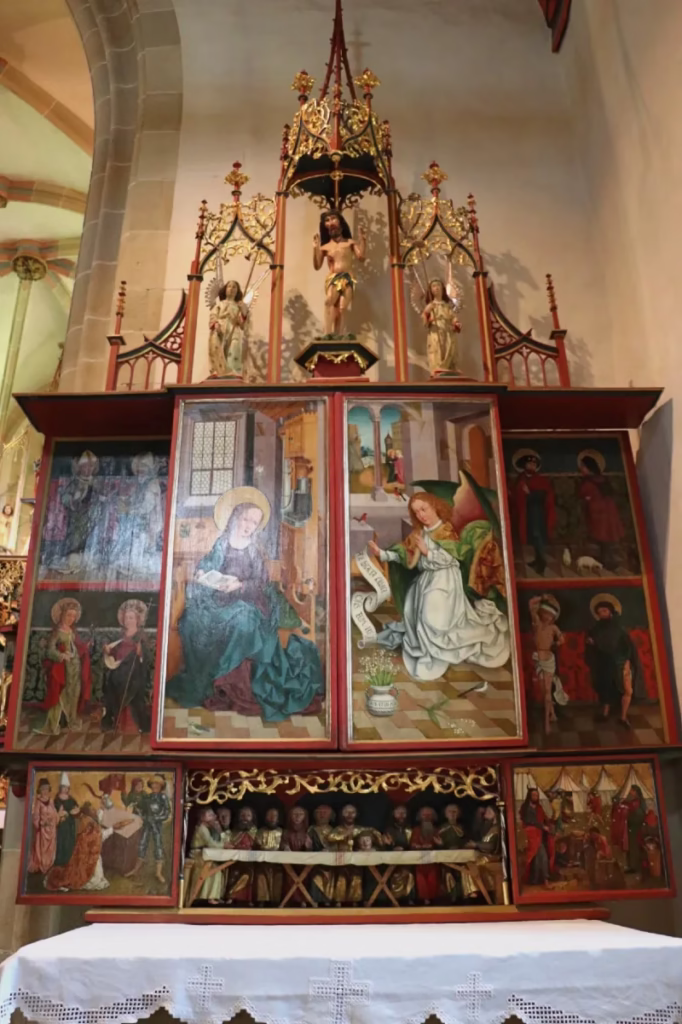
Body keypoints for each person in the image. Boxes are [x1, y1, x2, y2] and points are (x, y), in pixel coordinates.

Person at [166, 488, 324, 721]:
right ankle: (215, 682)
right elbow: (209, 563)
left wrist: (239, 586)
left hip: (248, 599)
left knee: (245, 619)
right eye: (246, 519)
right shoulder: (222, 543)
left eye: (254, 522)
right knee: (192, 621)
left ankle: (231, 685)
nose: (249, 525)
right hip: (218, 600)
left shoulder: (253, 549)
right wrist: (203, 572)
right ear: (235, 517)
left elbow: (260, 582)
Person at [368, 491, 509, 681]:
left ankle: (438, 653)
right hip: (426, 580)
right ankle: (428, 651)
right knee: (411, 610)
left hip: (445, 581)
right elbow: (405, 553)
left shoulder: (446, 531)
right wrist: (383, 553)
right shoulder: (418, 533)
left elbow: (452, 560)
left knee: (431, 617)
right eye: (416, 512)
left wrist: (428, 553)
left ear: (435, 507)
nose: (421, 515)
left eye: (423, 509)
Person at [585, 594, 643, 726]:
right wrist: (590, 644)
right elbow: (591, 644)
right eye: (599, 612)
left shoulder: (619, 629)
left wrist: (627, 661)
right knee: (605, 687)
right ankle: (605, 713)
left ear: (610, 611)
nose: (602, 614)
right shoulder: (595, 629)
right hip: (603, 662)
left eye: (604, 611)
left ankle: (622, 717)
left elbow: (627, 646)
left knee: (623, 688)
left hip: (618, 662)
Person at [38, 598, 92, 736]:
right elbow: (50, 650)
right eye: (69, 615)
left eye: (74, 616)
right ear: (62, 614)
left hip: (75, 667)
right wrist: (62, 655)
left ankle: (71, 720)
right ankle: (53, 725)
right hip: (62, 669)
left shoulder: (72, 630)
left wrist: (85, 647)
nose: (71, 619)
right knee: (59, 695)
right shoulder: (57, 631)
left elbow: (76, 647)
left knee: (74, 693)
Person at [313, 209, 366, 337]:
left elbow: (361, 257)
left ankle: (340, 335)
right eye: (327, 220)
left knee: (342, 308)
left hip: (348, 277)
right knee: (329, 302)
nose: (331, 223)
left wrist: (363, 240)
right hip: (333, 277)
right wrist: (315, 248)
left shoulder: (349, 243)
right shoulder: (325, 247)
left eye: (333, 219)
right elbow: (317, 265)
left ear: (341, 225)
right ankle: (327, 333)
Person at [102, 599, 151, 734]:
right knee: (113, 683)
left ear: (137, 620)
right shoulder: (120, 634)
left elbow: (145, 657)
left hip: (134, 672)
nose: (128, 620)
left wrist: (140, 652)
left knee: (130, 688)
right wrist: (107, 649)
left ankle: (132, 723)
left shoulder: (141, 636)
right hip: (118, 669)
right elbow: (114, 649)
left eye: (131, 618)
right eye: (126, 618)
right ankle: (116, 721)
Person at [112, 452, 164, 579]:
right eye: (139, 468)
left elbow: (146, 506)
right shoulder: (141, 483)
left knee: (142, 543)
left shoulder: (152, 484)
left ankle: (138, 569)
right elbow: (137, 500)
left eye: (144, 468)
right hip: (140, 521)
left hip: (148, 523)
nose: (141, 470)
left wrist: (129, 509)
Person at [576, 451, 625, 571]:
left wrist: (588, 498)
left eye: (583, 467)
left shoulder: (589, 481)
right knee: (604, 537)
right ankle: (605, 559)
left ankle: (608, 561)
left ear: (589, 467)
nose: (581, 469)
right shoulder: (601, 479)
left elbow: (585, 493)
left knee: (604, 537)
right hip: (606, 511)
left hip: (599, 512)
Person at [510, 451, 556, 575]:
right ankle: (537, 559)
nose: (532, 466)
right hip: (526, 513)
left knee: (537, 536)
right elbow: (516, 495)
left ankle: (542, 562)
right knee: (531, 536)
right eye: (529, 464)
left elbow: (543, 496)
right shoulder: (521, 479)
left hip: (537, 513)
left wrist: (529, 493)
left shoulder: (540, 480)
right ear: (524, 465)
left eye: (534, 465)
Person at [125, 774, 171, 884]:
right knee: (142, 845)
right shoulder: (148, 797)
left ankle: (158, 873)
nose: (155, 786)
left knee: (158, 847)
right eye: (153, 784)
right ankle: (136, 870)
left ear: (161, 786)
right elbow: (144, 810)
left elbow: (167, 813)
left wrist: (156, 818)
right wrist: (142, 814)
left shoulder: (163, 797)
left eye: (157, 784)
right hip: (147, 824)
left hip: (157, 825)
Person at [529, 594, 565, 734]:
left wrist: (557, 642)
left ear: (553, 617)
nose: (547, 617)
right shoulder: (537, 623)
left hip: (549, 659)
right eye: (545, 613)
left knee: (548, 693)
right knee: (544, 691)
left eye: (550, 615)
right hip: (538, 658)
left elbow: (562, 640)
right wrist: (543, 597)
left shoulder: (554, 628)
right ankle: (553, 714)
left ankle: (546, 723)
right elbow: (531, 604)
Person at [208, 280, 248, 377]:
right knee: (219, 349)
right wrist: (216, 324)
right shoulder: (220, 304)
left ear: (237, 291)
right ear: (225, 289)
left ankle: (233, 370)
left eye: (234, 287)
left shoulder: (238, 306)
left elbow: (242, 324)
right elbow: (213, 316)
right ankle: (219, 371)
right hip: (221, 329)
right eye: (229, 286)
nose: (231, 289)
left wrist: (243, 311)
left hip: (234, 331)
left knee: (234, 348)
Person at [422, 279, 462, 375]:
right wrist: (427, 312)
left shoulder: (447, 306)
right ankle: (438, 367)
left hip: (447, 330)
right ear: (430, 290)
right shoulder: (430, 306)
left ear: (443, 288)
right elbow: (425, 321)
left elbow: (453, 317)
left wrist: (456, 323)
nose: (436, 288)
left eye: (438, 285)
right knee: (437, 348)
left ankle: (449, 367)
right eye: (433, 286)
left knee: (449, 348)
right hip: (435, 330)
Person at [189, 808, 228, 905]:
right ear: (202, 818)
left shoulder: (208, 829)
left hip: (204, 855)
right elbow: (211, 844)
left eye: (213, 815)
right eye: (209, 815)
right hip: (198, 855)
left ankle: (212, 896)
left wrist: (220, 833)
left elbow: (217, 841)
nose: (213, 818)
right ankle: (208, 896)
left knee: (216, 869)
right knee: (214, 871)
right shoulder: (202, 828)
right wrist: (224, 845)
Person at [439, 803, 476, 902]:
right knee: (448, 871)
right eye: (449, 812)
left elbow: (467, 841)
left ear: (458, 814)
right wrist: (441, 845)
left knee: (465, 869)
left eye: (454, 811)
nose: (452, 814)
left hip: (461, 855)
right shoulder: (441, 829)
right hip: (446, 857)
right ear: (445, 814)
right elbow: (438, 843)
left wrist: (462, 846)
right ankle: (451, 895)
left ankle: (468, 892)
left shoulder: (463, 828)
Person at [225, 806, 258, 905]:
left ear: (252, 817)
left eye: (248, 815)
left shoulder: (255, 831)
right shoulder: (234, 831)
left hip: (249, 859)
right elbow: (232, 842)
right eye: (242, 815)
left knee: (249, 876)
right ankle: (231, 896)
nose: (245, 818)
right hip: (235, 859)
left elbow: (257, 843)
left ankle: (248, 899)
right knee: (233, 875)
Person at [381, 804, 414, 905]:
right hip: (392, 861)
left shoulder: (410, 829)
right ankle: (393, 899)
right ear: (393, 814)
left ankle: (408, 899)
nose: (401, 815)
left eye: (403, 813)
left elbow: (413, 844)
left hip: (408, 860)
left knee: (408, 874)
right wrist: (391, 847)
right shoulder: (388, 829)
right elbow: (385, 845)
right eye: (398, 813)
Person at [519, 788, 551, 886]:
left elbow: (544, 818)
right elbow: (529, 820)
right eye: (533, 795)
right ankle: (542, 880)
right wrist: (542, 826)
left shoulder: (539, 808)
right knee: (538, 857)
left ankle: (538, 880)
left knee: (539, 858)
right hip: (530, 836)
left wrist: (548, 823)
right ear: (529, 796)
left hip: (538, 835)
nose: (535, 797)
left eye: (537, 795)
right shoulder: (525, 808)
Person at [410, 807, 442, 904]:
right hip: (419, 861)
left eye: (429, 815)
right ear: (420, 817)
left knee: (433, 878)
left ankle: (433, 899)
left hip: (433, 861)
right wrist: (417, 846)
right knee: (420, 880)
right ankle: (423, 899)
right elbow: (413, 844)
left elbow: (441, 844)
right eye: (424, 815)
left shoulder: (437, 830)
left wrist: (439, 844)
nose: (427, 817)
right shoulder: (416, 830)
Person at [28, 778, 58, 876]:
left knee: (50, 849)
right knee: (42, 848)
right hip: (43, 831)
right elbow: (36, 816)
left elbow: (54, 814)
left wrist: (55, 818)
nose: (45, 791)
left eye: (46, 789)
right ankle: (42, 867)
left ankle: (49, 866)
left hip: (51, 830)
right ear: (40, 790)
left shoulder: (51, 801)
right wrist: (41, 824)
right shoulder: (38, 802)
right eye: (43, 789)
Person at [254, 807, 284, 906]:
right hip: (263, 863)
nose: (272, 818)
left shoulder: (282, 832)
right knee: (261, 877)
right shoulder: (260, 831)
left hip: (277, 863)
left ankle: (276, 900)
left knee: (279, 876)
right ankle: (262, 900)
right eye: (269, 815)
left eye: (274, 816)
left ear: (278, 818)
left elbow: (284, 846)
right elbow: (257, 844)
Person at [308, 805, 336, 907]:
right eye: (320, 813)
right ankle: (316, 899)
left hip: (330, 862)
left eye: (325, 813)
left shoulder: (334, 831)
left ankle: (328, 899)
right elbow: (308, 847)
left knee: (331, 877)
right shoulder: (312, 830)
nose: (322, 815)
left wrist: (330, 850)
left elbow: (338, 846)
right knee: (316, 877)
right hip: (316, 862)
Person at [53, 774, 80, 868]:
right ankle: (60, 862)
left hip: (70, 825)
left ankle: (69, 861)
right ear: (60, 788)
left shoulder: (71, 799)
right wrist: (60, 815)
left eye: (67, 788)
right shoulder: (56, 800)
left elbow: (77, 809)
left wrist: (75, 812)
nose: (65, 789)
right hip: (61, 826)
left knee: (69, 842)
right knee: (61, 842)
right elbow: (53, 812)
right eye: (64, 787)